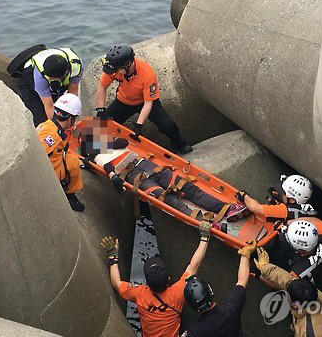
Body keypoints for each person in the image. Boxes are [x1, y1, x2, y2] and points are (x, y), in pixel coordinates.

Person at [84, 138, 249, 228]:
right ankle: (204, 222)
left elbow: (124, 143)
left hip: (149, 166)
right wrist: (113, 177)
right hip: (137, 178)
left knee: (187, 187)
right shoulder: (98, 159)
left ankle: (226, 208)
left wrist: (106, 143)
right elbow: (108, 168)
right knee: (167, 199)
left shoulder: (112, 145)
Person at [101, 220, 213, 337]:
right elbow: (194, 265)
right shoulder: (177, 293)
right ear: (169, 278)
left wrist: (113, 258)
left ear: (147, 284)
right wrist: (204, 238)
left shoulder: (139, 294)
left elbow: (116, 283)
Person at [95, 44, 192, 154]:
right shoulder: (114, 68)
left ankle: (180, 145)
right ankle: (95, 151)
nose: (114, 73)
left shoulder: (147, 73)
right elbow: (102, 87)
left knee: (169, 126)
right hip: (123, 101)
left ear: (127, 65)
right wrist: (100, 110)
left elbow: (148, 103)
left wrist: (139, 125)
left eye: (117, 70)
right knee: (98, 126)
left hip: (146, 102)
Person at [254, 246, 322, 337]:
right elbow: (289, 281)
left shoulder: (308, 333)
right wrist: (265, 267)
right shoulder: (316, 296)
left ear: (295, 305)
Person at [181, 241, 256, 337]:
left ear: (192, 307)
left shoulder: (194, 331)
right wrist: (246, 254)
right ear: (210, 291)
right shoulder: (230, 309)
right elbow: (241, 281)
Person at [37, 93, 85, 212]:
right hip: (45, 175)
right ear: (70, 119)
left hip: (46, 166)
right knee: (73, 162)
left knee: (72, 158)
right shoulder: (52, 136)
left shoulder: (49, 125)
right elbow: (39, 154)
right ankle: (69, 194)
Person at [18, 46, 83, 126]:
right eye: (49, 78)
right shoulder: (40, 75)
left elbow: (72, 94)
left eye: (51, 78)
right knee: (41, 119)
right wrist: (56, 128)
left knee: (62, 113)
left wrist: (72, 120)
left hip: (59, 78)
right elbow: (49, 105)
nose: (49, 78)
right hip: (29, 80)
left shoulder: (76, 67)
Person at [235, 174, 317, 233]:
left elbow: (255, 208)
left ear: (292, 200)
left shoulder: (285, 210)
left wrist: (245, 196)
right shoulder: (308, 209)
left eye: (284, 193)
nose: (281, 194)